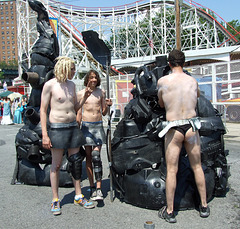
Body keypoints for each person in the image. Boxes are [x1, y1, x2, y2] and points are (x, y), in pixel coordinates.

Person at [157, 49, 210, 223]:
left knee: (172, 170)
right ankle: (203, 206)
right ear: (184, 63)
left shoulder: (163, 81)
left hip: (174, 127)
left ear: (169, 63)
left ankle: (170, 211)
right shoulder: (192, 81)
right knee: (197, 166)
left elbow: (161, 102)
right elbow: (197, 97)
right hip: (191, 126)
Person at [40, 56, 95, 216]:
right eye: (72, 68)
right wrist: (45, 134)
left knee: (76, 163)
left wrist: (84, 96)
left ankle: (78, 195)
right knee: (56, 165)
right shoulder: (49, 85)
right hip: (57, 128)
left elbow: (75, 106)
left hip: (72, 127)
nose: (74, 71)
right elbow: (43, 110)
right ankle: (55, 199)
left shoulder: (71, 85)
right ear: (64, 68)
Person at [77, 70, 112, 201]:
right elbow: (78, 112)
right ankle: (92, 187)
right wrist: (77, 128)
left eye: (95, 77)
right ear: (87, 79)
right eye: (91, 77)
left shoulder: (100, 93)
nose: (94, 80)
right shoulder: (81, 93)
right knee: (89, 158)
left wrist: (108, 105)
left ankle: (99, 188)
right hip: (86, 127)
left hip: (98, 126)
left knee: (96, 155)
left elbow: (103, 112)